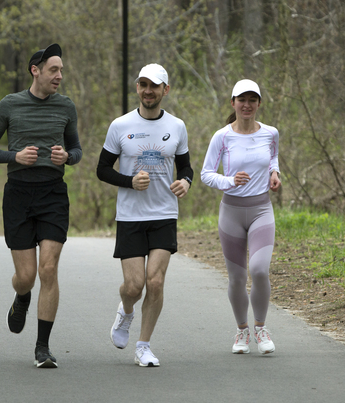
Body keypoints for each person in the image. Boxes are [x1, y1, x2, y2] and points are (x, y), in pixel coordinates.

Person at [0, 43, 81, 368]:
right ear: (35, 70)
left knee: (48, 269)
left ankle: (42, 347)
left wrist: (67, 157)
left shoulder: (66, 107)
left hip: (53, 194)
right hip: (19, 195)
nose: (59, 76)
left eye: (61, 70)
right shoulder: (10, 105)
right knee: (26, 276)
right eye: (54, 70)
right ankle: (22, 297)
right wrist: (15, 157)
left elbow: (77, 151)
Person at [97, 63, 193, 367]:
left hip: (164, 212)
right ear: (137, 88)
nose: (148, 91)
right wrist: (129, 182)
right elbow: (102, 169)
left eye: (154, 86)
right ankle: (126, 311)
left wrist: (186, 181)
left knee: (156, 282)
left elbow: (186, 166)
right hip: (130, 216)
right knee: (134, 286)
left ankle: (143, 345)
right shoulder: (120, 126)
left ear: (165, 90)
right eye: (143, 85)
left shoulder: (176, 126)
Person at [200, 79, 281, 355]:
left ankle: (261, 328)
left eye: (252, 100)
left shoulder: (271, 133)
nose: (247, 105)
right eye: (241, 100)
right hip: (231, 211)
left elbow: (273, 157)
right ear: (233, 103)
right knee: (236, 277)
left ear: (259, 104)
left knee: (259, 270)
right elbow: (206, 173)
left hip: (261, 209)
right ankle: (242, 331)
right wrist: (229, 180)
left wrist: (275, 173)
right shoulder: (221, 136)